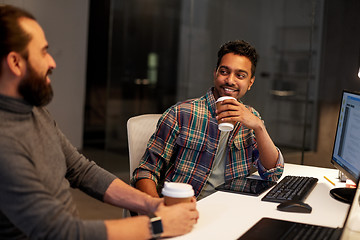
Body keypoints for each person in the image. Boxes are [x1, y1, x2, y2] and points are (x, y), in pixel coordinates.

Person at [0, 4, 198, 240]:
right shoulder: (5, 143)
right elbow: (60, 233)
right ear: (15, 63)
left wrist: (152, 205)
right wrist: (158, 225)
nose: (52, 62)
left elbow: (81, 170)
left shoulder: (34, 110)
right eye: (43, 52)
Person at [133, 40, 284, 199]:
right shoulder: (181, 113)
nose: (230, 80)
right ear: (215, 73)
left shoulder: (251, 119)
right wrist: (158, 209)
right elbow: (146, 171)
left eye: (240, 75)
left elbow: (273, 173)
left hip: (232, 207)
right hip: (186, 207)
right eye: (224, 72)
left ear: (250, 82)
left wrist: (259, 127)